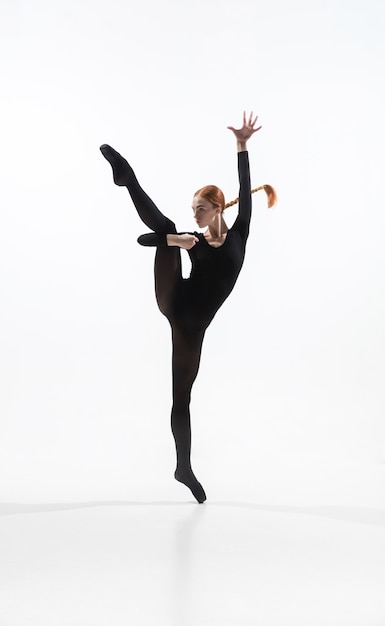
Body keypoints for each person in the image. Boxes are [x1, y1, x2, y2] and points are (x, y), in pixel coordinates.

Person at [100, 111, 277, 503]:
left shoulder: (238, 235)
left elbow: (245, 189)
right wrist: (175, 242)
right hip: (173, 298)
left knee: (182, 398)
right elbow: (149, 240)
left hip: (190, 328)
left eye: (199, 208)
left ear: (217, 210)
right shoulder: (193, 238)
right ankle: (127, 177)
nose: (194, 214)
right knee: (165, 227)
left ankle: (183, 467)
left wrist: (242, 145)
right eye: (193, 207)